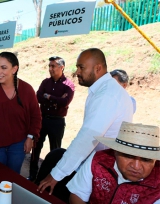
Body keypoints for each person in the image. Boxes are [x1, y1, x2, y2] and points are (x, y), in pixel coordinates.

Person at [37, 48, 133, 202]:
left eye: (81, 67)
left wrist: (56, 175)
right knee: (55, 156)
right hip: (95, 159)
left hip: (105, 166)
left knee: (53, 181)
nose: (77, 72)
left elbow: (88, 138)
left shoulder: (107, 95)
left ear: (98, 68)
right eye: (77, 67)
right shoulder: (103, 90)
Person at [67, 122, 160, 204]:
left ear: (155, 160)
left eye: (146, 159)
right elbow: (78, 195)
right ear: (115, 151)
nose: (136, 167)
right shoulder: (98, 161)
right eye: (128, 156)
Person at [28, 56, 75, 181]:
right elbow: (37, 97)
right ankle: (32, 175)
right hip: (42, 119)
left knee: (55, 150)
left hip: (57, 122)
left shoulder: (68, 85)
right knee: (36, 147)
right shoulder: (45, 82)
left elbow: (65, 102)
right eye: (49, 66)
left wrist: (48, 97)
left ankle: (51, 178)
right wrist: (55, 99)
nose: (50, 69)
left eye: (53, 66)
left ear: (62, 67)